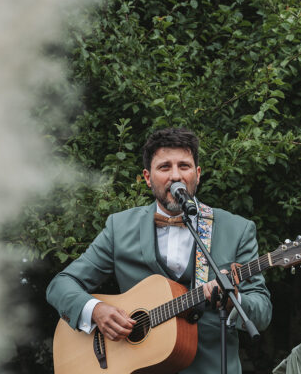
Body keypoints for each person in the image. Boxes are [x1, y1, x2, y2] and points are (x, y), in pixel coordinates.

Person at [46, 127, 272, 373]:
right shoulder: (120, 227)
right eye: (164, 167)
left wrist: (232, 300)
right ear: (147, 177)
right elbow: (61, 284)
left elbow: (262, 312)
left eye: (184, 166)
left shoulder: (237, 229)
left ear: (197, 174)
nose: (175, 176)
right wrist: (95, 311)